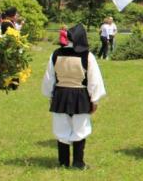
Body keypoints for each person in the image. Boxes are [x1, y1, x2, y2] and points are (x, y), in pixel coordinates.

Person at [42, 24, 106, 169]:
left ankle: (63, 162)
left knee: (62, 129)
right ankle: (78, 163)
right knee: (80, 128)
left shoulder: (56, 54)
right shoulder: (87, 56)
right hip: (80, 95)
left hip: (60, 94)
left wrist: (50, 95)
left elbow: (49, 77)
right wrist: (94, 99)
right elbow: (94, 80)